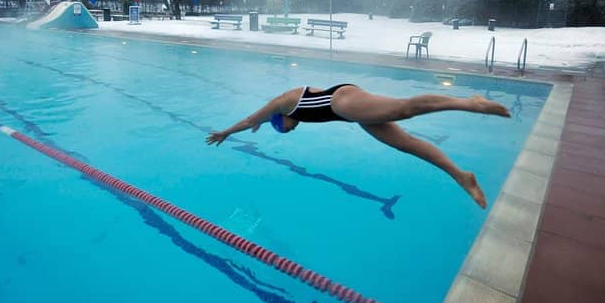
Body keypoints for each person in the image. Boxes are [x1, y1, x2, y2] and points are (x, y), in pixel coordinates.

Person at [205, 84, 511, 209]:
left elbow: (250, 118)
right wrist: (252, 124)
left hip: (343, 101)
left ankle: (469, 103)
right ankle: (460, 175)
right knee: (408, 144)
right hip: (349, 112)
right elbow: (255, 120)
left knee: (403, 109)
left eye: (283, 129)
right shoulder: (284, 113)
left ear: (280, 118)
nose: (289, 130)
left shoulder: (283, 102)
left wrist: (226, 133)